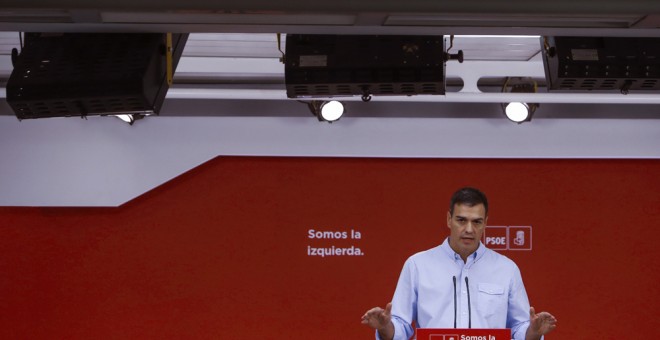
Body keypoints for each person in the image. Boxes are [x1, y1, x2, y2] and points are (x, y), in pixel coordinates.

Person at [361, 187, 557, 340]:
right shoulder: (417, 265)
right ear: (449, 219)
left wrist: (533, 331)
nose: (469, 229)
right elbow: (400, 328)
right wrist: (385, 327)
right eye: (461, 220)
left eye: (477, 222)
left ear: (486, 223)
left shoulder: (507, 269)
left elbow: (518, 330)